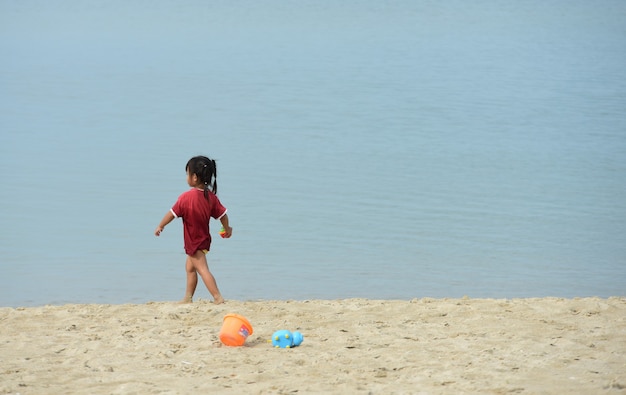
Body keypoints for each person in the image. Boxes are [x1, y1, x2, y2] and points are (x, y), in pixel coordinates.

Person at [154, 155, 232, 304]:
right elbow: (223, 215)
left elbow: (171, 214)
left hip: (194, 241)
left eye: (187, 174)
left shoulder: (185, 198)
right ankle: (188, 298)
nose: (186, 177)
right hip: (203, 240)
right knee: (190, 268)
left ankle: (218, 297)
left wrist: (161, 225)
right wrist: (227, 228)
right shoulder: (211, 197)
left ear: (194, 177)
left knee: (202, 269)